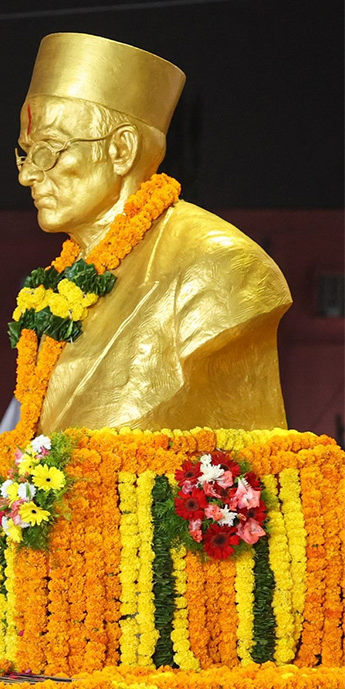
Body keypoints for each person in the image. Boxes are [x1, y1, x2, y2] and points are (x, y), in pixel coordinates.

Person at [17, 33, 291, 432]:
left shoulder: (221, 264)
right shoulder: (64, 284)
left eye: (49, 150)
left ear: (121, 150)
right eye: (24, 153)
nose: (28, 174)